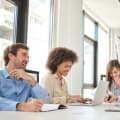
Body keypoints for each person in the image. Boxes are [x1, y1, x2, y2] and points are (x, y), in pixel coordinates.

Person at [0, 43, 49, 112]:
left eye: (28, 57)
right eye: (24, 55)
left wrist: (32, 80)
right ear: (11, 56)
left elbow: (46, 101)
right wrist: (20, 106)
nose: (27, 60)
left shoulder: (27, 80)